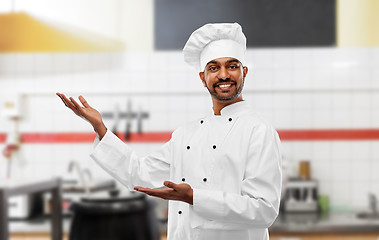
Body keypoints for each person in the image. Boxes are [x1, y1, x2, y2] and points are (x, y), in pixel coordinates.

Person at [57, 22, 282, 240]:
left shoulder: (259, 130)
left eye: (232, 66)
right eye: (213, 68)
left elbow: (264, 209)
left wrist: (194, 197)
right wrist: (100, 127)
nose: (223, 75)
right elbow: (139, 173)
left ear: (244, 72)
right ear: (203, 78)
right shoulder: (186, 134)